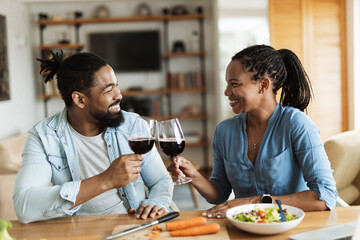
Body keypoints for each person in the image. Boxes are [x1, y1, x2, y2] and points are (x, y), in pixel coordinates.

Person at [168, 44, 337, 218]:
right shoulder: (224, 131)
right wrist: (194, 176)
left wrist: (256, 202)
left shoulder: (297, 124)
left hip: (292, 225)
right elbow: (219, 193)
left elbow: (325, 197)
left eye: (234, 84)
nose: (227, 92)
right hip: (245, 227)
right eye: (227, 84)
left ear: (263, 85)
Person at [13, 51, 173, 224]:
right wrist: (106, 180)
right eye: (109, 89)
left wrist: (155, 202)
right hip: (79, 230)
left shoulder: (133, 126)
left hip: (132, 225)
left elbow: (160, 181)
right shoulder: (44, 137)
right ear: (80, 99)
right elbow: (24, 206)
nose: (119, 95)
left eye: (117, 86)